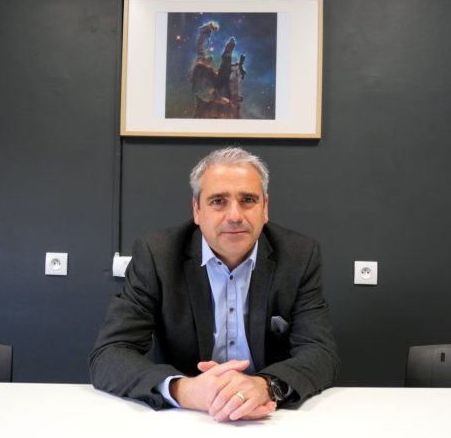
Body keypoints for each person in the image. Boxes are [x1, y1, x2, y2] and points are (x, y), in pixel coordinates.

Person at [89, 147, 339, 422]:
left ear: (265, 208)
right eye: (218, 201)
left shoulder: (299, 255)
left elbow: (320, 353)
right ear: (197, 210)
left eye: (248, 200)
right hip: (186, 417)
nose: (235, 215)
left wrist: (266, 386)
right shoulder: (157, 255)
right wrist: (185, 390)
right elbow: (110, 353)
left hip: (268, 417)